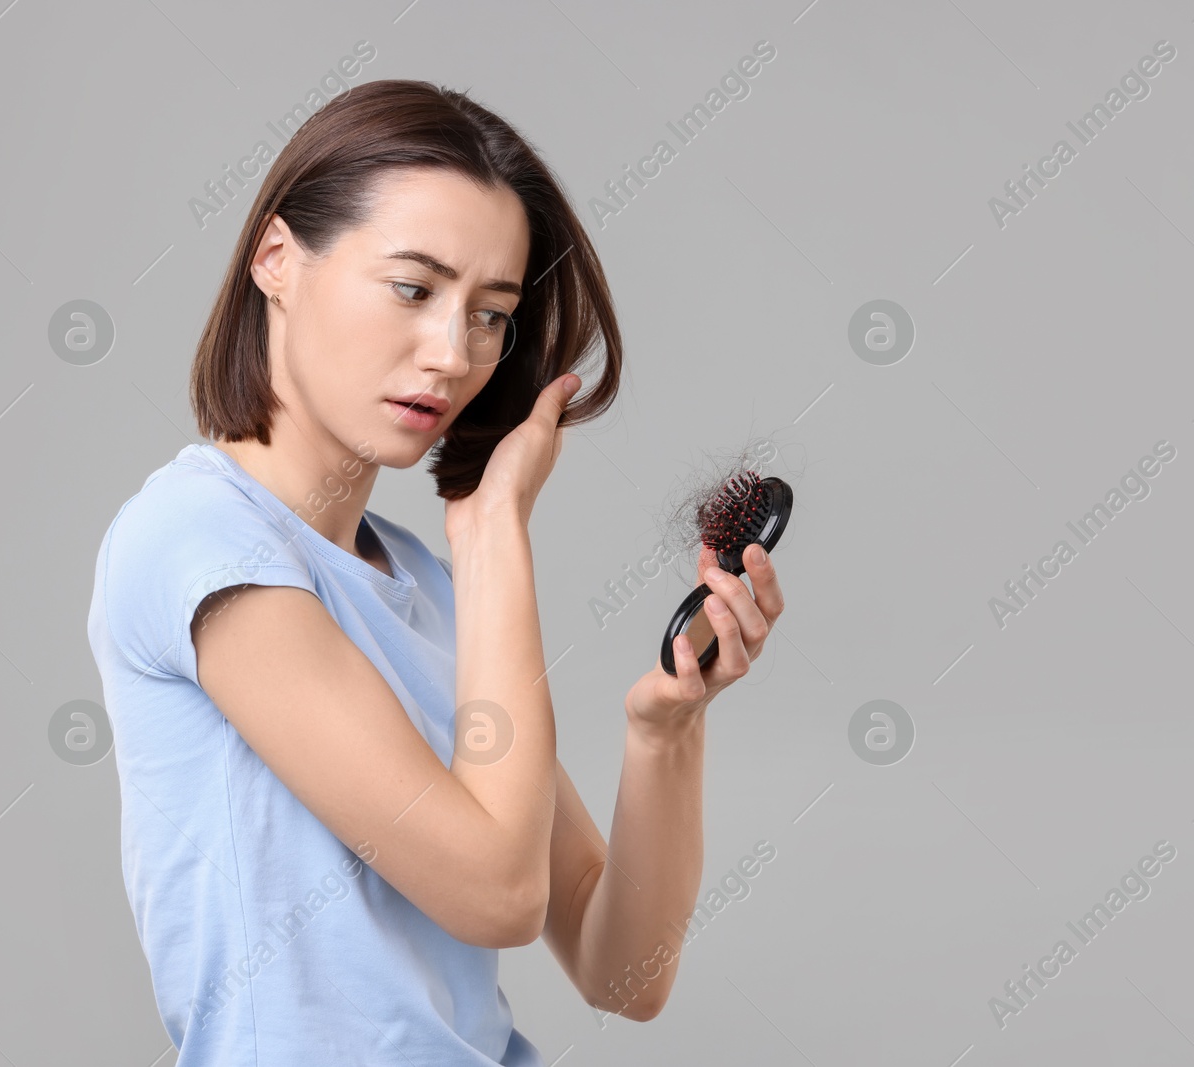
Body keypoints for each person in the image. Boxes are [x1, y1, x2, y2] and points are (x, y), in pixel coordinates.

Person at [85, 79, 785, 1065]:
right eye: (413, 289)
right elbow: (498, 893)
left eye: (491, 313)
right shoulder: (196, 542)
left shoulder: (421, 579)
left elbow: (620, 970)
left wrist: (665, 729)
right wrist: (495, 525)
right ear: (277, 260)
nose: (455, 353)